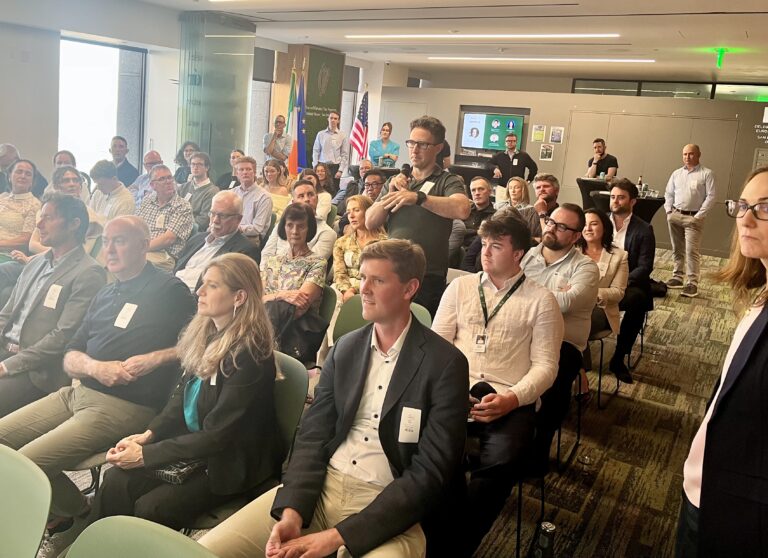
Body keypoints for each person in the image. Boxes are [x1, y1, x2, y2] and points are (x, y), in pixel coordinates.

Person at [198, 239, 470, 558]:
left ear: (409, 288)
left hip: (390, 506)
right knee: (207, 550)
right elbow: (312, 434)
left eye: (377, 280)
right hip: (322, 488)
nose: (363, 289)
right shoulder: (346, 348)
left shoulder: (445, 363)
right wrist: (293, 510)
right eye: (363, 277)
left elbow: (431, 472)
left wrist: (336, 537)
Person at [0, 216, 195, 557]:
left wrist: (155, 358)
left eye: (120, 240)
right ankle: (77, 511)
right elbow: (70, 354)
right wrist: (94, 367)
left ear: (143, 245)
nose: (110, 249)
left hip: (125, 406)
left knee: (25, 465)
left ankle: (70, 518)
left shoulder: (169, 290)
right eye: (106, 241)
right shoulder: (106, 292)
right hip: (77, 392)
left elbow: (203, 342)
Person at [86, 252, 281, 532]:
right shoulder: (206, 334)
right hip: (196, 445)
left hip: (229, 461)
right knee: (116, 480)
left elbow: (218, 436)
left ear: (239, 297)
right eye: (202, 283)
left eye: (212, 286)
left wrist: (146, 455)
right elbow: (182, 396)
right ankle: (95, 547)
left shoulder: (250, 354)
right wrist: (149, 435)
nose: (199, 291)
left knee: (151, 508)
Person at [433, 210, 562, 554]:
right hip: (456, 391)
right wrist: (449, 389)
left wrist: (512, 399)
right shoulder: (460, 287)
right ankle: (439, 532)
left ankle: (455, 546)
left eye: (496, 246)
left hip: (509, 398)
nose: (485, 252)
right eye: (484, 243)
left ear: (518, 253)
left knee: (501, 462)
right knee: (426, 449)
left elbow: (546, 367)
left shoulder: (541, 300)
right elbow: (437, 346)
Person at [676, 167, 768, 557]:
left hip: (741, 514)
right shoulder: (759, 298)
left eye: (765, 208)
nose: (745, 219)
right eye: (743, 205)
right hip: (705, 485)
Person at [0, 194, 106, 417]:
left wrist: (9, 365)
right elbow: (6, 314)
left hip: (37, 370)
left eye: (48, 218)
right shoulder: (36, 262)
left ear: (74, 224)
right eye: (40, 217)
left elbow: (62, 336)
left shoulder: (89, 272)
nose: (39, 224)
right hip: (5, 349)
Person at [367, 115, 471, 316]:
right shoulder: (397, 181)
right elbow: (370, 221)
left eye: (422, 144)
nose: (414, 150)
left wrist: (419, 198)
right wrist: (390, 195)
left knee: (419, 329)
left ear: (438, 148)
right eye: (411, 143)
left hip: (427, 277)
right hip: (391, 272)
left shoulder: (447, 180)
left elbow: (462, 209)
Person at [521, 204, 599, 469]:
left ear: (576, 236)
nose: (551, 228)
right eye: (550, 221)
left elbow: (567, 302)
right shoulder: (527, 255)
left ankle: (539, 451)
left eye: (562, 226)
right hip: (522, 333)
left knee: (555, 379)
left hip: (563, 341)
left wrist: (522, 294)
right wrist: (551, 295)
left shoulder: (585, 267)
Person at [260, 203, 327, 361]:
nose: (295, 231)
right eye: (290, 225)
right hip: (264, 325)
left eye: (301, 226)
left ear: (309, 229)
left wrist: (269, 300)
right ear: (283, 227)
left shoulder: (317, 262)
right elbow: (257, 298)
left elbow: (297, 308)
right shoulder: (272, 261)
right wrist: (281, 295)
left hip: (293, 334)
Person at [608, 180, 656, 383]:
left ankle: (619, 358)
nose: (615, 201)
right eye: (613, 197)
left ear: (632, 201)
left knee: (638, 302)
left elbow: (645, 267)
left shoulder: (644, 229)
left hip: (629, 282)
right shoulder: (599, 223)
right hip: (596, 279)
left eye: (621, 197)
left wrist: (621, 282)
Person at [174, 190, 261, 292]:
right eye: (212, 213)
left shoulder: (245, 252)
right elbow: (176, 268)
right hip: (173, 288)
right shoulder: (197, 239)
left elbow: (226, 292)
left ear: (238, 219)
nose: (215, 220)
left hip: (196, 297)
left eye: (222, 216)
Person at [580, 208, 628, 386]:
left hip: (601, 309)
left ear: (605, 228)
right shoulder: (572, 250)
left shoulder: (619, 256)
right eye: (584, 224)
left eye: (593, 224)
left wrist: (589, 293)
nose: (588, 228)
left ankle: (580, 374)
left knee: (573, 322)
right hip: (572, 305)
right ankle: (577, 372)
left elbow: (618, 292)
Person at [664, 144, 716, 298]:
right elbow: (669, 193)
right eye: (685, 154)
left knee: (691, 251)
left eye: (691, 154)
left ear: (698, 155)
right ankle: (677, 277)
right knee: (677, 248)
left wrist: (699, 216)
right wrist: (668, 211)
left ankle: (692, 283)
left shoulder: (707, 174)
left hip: (693, 218)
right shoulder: (676, 173)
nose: (687, 157)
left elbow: (712, 196)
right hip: (675, 215)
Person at [136, 164, 194, 272]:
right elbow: (136, 226)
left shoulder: (182, 206)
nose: (168, 182)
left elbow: (168, 239)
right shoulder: (147, 201)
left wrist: (140, 248)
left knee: (131, 260)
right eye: (162, 179)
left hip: (164, 255)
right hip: (143, 248)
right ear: (152, 185)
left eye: (169, 177)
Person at [261, 179, 337, 260]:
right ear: (293, 202)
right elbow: (266, 253)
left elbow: (312, 262)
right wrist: (266, 267)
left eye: (310, 195)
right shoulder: (284, 224)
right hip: (272, 266)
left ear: (317, 199)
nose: (307, 199)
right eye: (301, 196)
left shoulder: (327, 233)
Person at [333, 195, 387, 302]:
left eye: (356, 210)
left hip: (373, 290)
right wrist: (346, 290)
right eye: (348, 212)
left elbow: (380, 276)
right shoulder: (341, 242)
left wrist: (354, 289)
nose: (351, 216)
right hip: (342, 289)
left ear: (369, 212)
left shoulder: (385, 243)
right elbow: (339, 273)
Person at [0, 159, 42, 253]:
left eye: (28, 174)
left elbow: (25, 240)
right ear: (10, 176)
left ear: (32, 181)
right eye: (19, 172)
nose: (23, 176)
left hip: (10, 255)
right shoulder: (2, 197)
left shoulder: (34, 205)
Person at [233, 156, 273, 245]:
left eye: (248, 169)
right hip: (231, 235)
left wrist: (233, 228)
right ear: (237, 173)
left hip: (251, 239)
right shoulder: (232, 193)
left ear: (254, 172)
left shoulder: (264, 197)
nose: (245, 172)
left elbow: (257, 229)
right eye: (241, 169)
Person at [177, 151, 219, 231]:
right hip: (177, 228)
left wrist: (179, 225)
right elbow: (173, 210)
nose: (195, 167)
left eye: (199, 164)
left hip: (196, 232)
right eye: (193, 164)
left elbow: (204, 220)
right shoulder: (182, 187)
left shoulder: (213, 191)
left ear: (207, 168)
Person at [519, 173, 561, 241]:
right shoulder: (522, 213)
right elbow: (515, 239)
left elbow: (553, 242)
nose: (541, 189)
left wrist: (542, 213)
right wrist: (538, 240)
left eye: (546, 186)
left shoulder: (563, 216)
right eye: (538, 187)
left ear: (557, 191)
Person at [312, 111, 349, 185]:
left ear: (338, 121)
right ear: (328, 119)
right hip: (322, 166)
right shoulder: (320, 134)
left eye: (335, 118)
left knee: (334, 189)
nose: (333, 120)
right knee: (320, 187)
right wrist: (315, 167)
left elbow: (344, 154)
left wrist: (340, 170)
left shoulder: (342, 135)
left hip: (335, 167)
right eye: (331, 118)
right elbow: (316, 151)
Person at [463, 176, 496, 246]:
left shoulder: (496, 216)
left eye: (481, 189)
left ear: (489, 192)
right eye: (473, 190)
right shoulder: (463, 212)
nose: (477, 193)